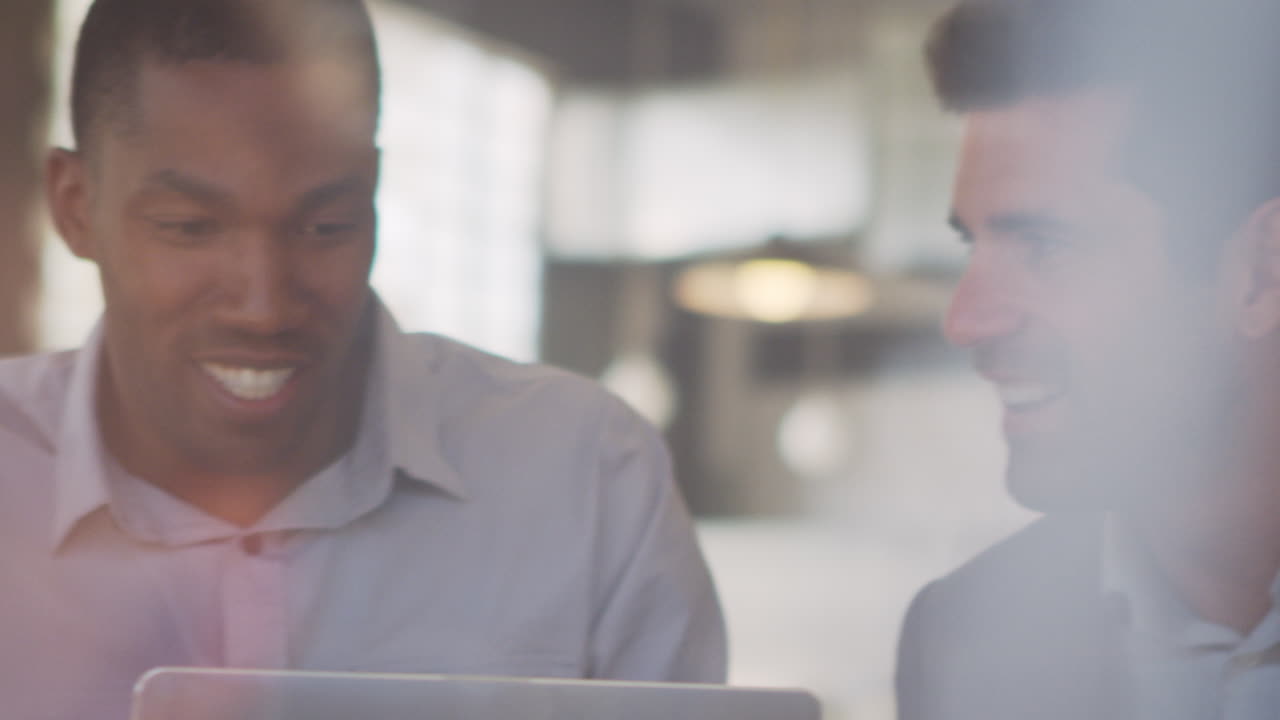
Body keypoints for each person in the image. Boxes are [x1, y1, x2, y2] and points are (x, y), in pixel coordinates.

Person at [1, 1, 726, 717]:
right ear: (75, 205)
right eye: (189, 228)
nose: (264, 306)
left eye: (326, 226)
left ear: (373, 199)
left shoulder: (587, 474)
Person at [895, 0, 1280, 718]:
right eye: (970, 246)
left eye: (1047, 247)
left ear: (1262, 273)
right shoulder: (961, 640)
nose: (965, 320)